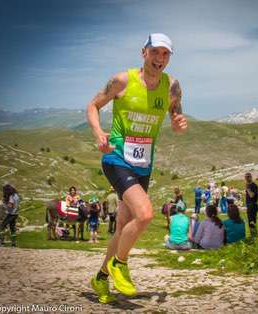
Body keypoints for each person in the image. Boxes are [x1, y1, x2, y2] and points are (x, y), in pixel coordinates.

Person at [87, 33, 187, 303]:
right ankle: (120, 264)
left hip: (143, 164)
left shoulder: (172, 86)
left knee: (122, 227)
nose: (160, 59)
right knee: (144, 215)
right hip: (116, 158)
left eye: (166, 54)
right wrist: (98, 133)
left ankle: (101, 277)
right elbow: (93, 106)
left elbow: (176, 114)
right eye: (155, 52)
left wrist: (178, 123)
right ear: (143, 52)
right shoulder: (122, 80)